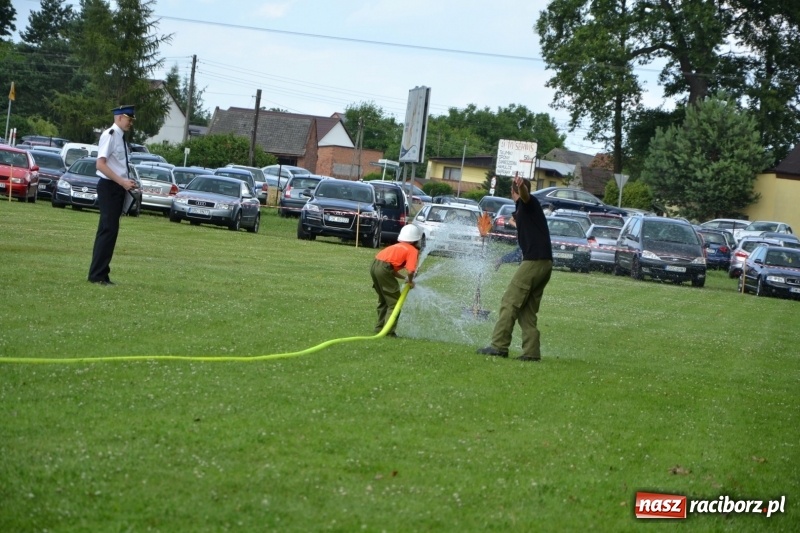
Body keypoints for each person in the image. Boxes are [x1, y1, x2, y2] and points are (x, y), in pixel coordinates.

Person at [478, 175, 553, 361]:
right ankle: (532, 352)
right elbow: (523, 242)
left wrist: (521, 188)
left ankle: (499, 346)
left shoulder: (528, 203)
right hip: (544, 263)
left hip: (534, 262)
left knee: (509, 302)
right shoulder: (527, 212)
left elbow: (526, 196)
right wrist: (503, 258)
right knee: (526, 310)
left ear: (513, 192)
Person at [87, 105, 138, 286]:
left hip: (116, 187)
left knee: (110, 231)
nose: (130, 122)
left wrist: (127, 181)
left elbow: (118, 164)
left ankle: (102, 273)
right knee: (107, 231)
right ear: (119, 118)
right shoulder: (109, 135)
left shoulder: (120, 138)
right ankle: (97, 275)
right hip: (109, 187)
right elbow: (100, 165)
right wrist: (121, 181)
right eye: (128, 119)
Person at [370, 225, 422, 337]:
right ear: (416, 239)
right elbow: (411, 270)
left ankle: (379, 328)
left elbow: (390, 270)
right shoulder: (412, 250)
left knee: (384, 300)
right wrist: (410, 281)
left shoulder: (396, 247)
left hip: (374, 266)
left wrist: (405, 279)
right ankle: (389, 332)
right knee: (394, 303)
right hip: (383, 269)